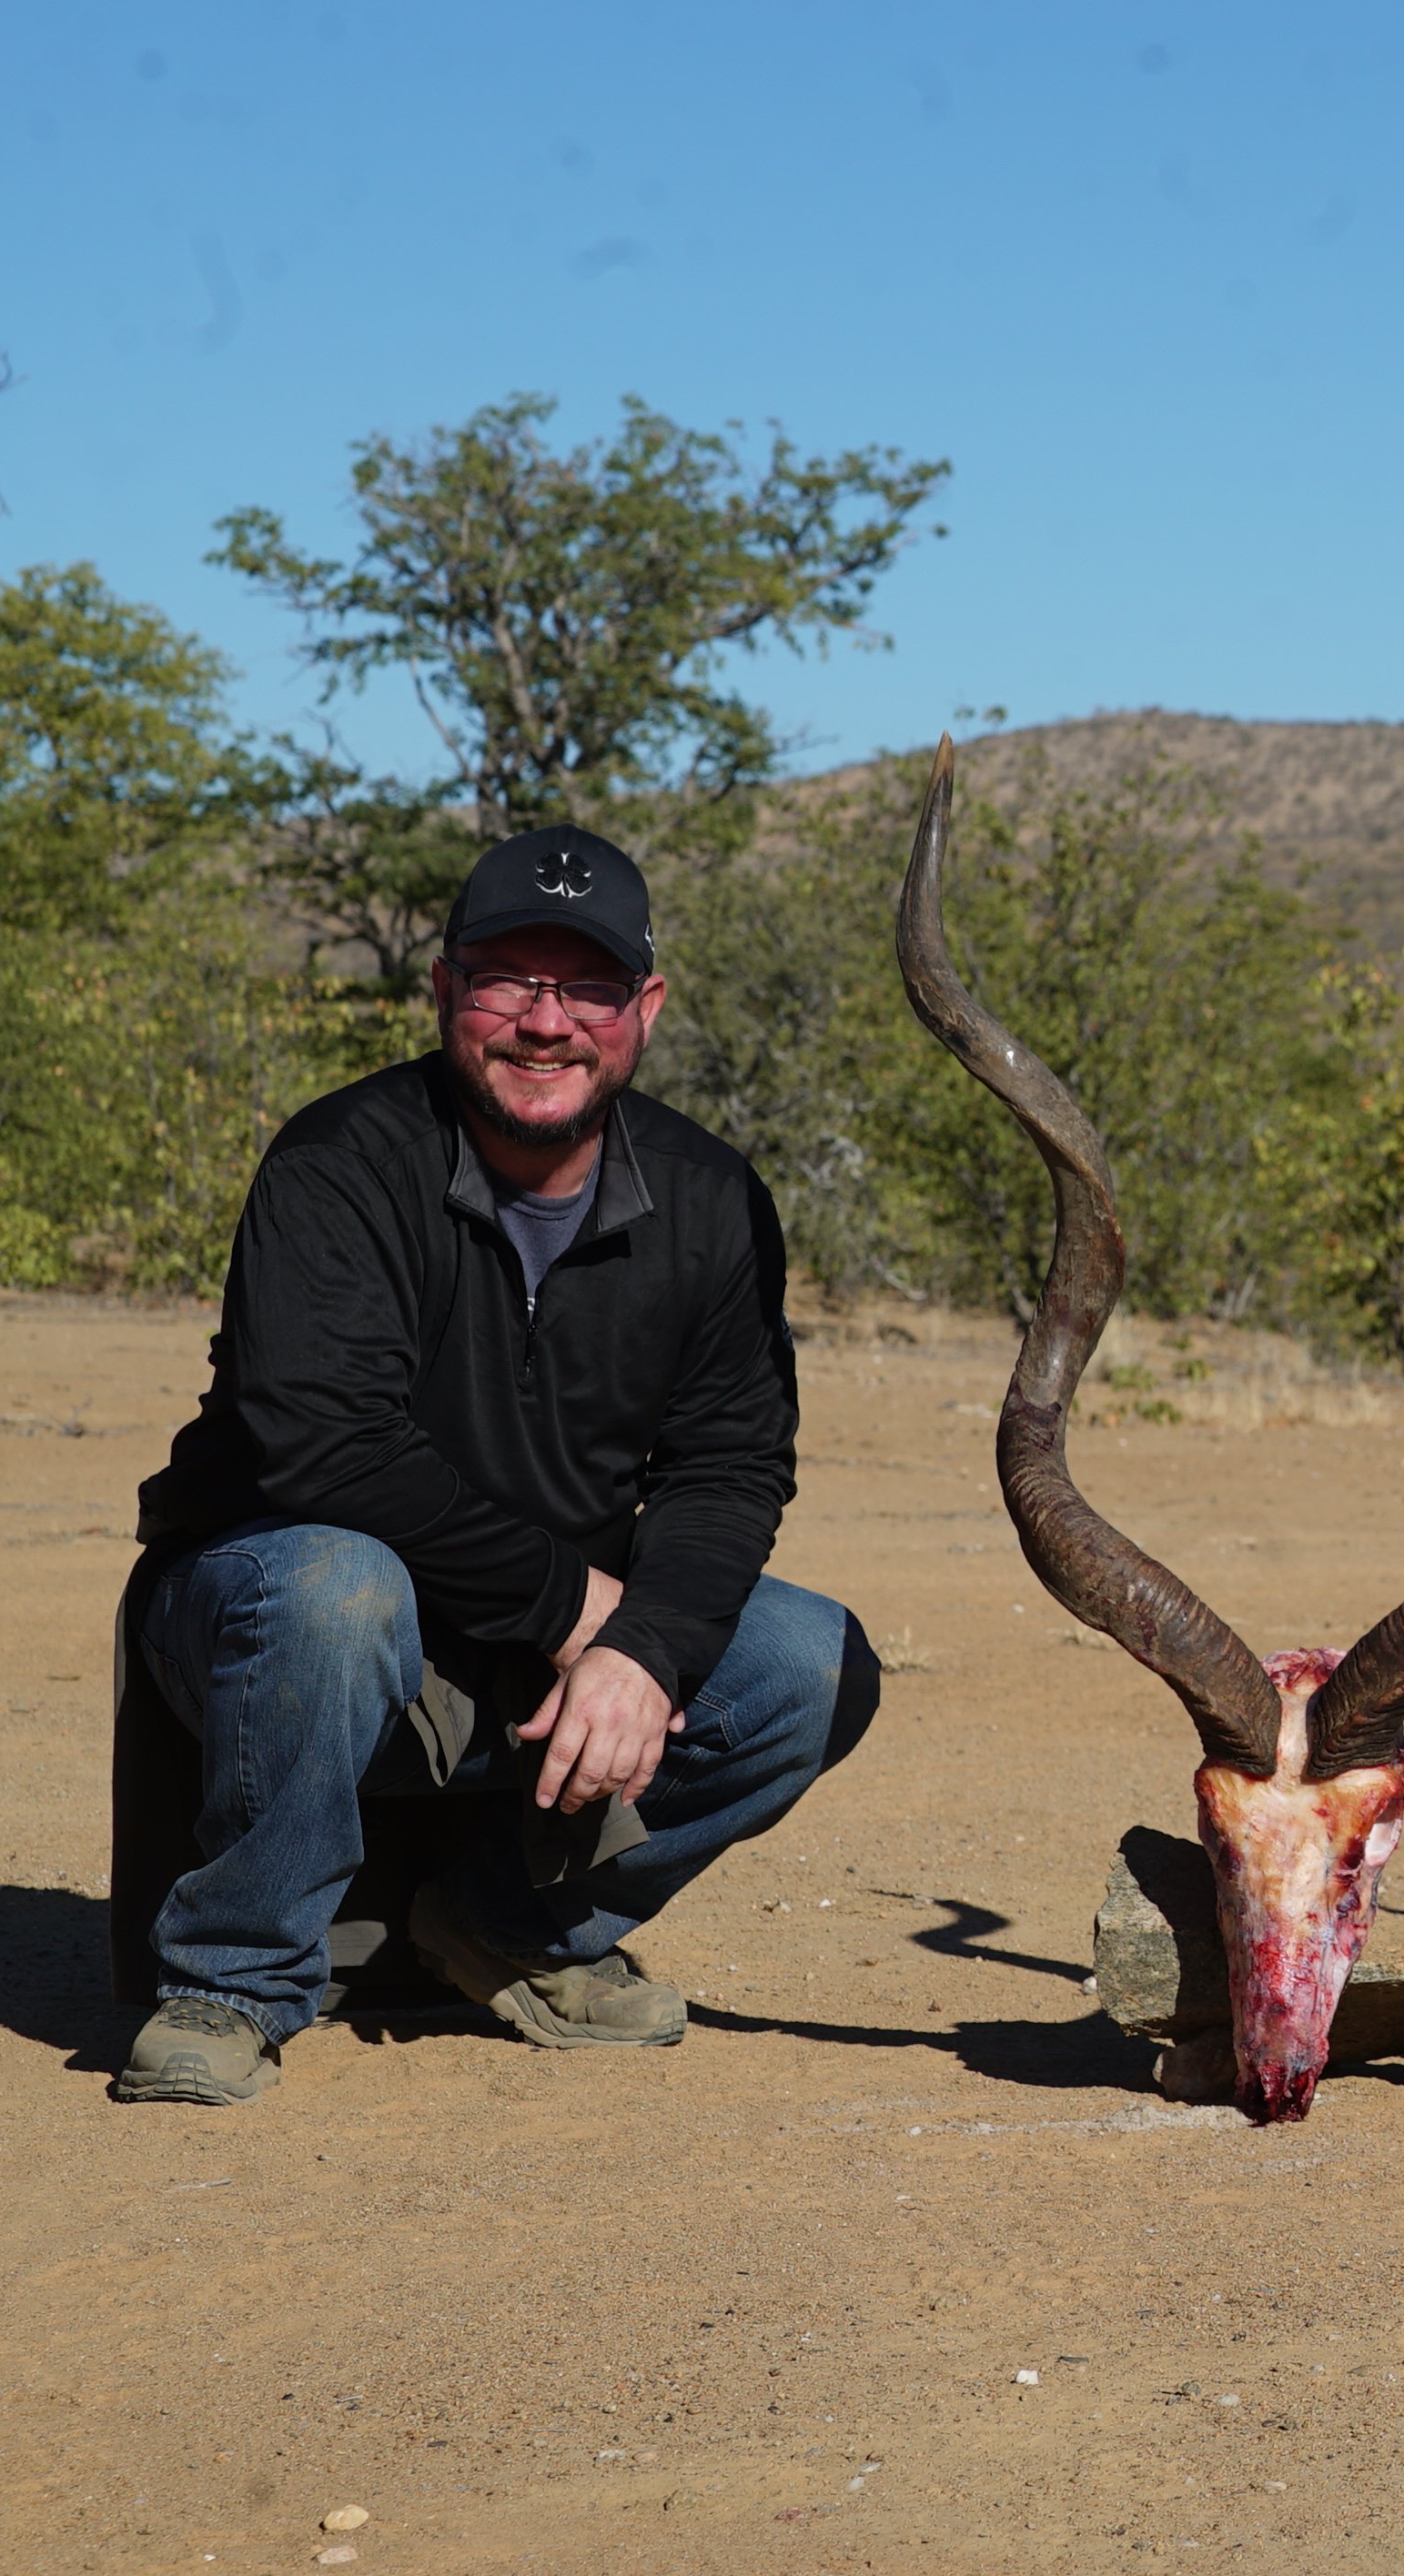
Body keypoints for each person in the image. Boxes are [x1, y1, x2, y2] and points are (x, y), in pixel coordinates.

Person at [111, 824, 879, 2104]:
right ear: (443, 990)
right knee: (335, 1587)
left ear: (646, 1008)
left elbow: (730, 1468)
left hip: (534, 1650)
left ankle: (512, 1926)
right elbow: (323, 1448)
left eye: (583, 985)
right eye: (506, 979)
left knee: (807, 1664)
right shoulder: (335, 1165)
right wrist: (579, 1610)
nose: (544, 1021)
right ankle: (232, 1979)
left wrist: (645, 1648)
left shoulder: (714, 1200)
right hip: (281, 1621)